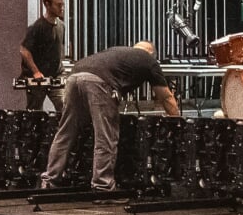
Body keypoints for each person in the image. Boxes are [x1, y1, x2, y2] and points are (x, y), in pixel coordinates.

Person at [41, 40, 180, 191]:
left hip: (74, 75)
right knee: (105, 137)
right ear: (152, 54)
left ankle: (49, 180)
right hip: (99, 82)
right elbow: (165, 97)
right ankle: (103, 186)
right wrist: (178, 122)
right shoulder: (149, 60)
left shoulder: (117, 51)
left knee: (65, 133)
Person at [22, 0, 67, 112]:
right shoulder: (37, 27)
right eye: (58, 5)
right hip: (38, 78)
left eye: (63, 4)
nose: (62, 8)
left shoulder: (61, 26)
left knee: (64, 107)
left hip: (56, 75)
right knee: (34, 112)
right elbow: (24, 51)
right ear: (47, 4)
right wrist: (35, 71)